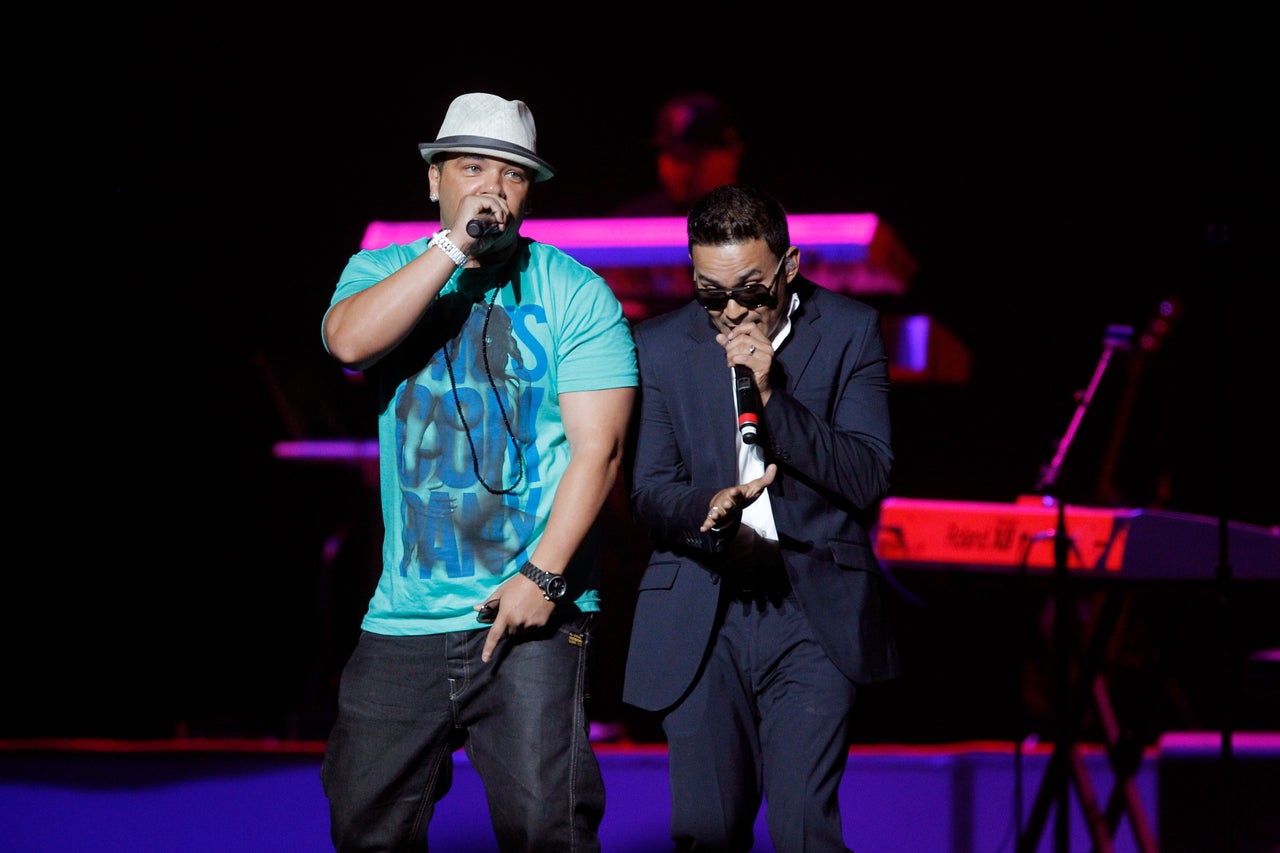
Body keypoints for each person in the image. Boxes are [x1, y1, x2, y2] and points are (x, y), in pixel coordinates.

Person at [319, 92, 638, 852]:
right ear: (434, 180)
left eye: (513, 175)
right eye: (471, 168)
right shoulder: (380, 269)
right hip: (404, 619)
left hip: (528, 618)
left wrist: (545, 576)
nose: (493, 188)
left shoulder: (576, 292)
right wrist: (451, 250)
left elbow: (601, 450)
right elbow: (348, 342)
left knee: (545, 830)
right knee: (367, 827)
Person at [622, 183, 901, 852]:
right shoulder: (658, 346)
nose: (732, 311)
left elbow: (867, 474)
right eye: (711, 294)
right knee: (707, 828)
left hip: (810, 608)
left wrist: (773, 395)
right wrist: (706, 509)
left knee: (803, 826)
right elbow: (650, 488)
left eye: (751, 289)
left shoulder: (850, 330)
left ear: (790, 266)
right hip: (702, 608)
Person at [612, 92, 744, 218]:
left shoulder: (760, 219)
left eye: (695, 158)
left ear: (732, 152)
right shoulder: (633, 222)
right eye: (675, 156)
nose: (684, 170)